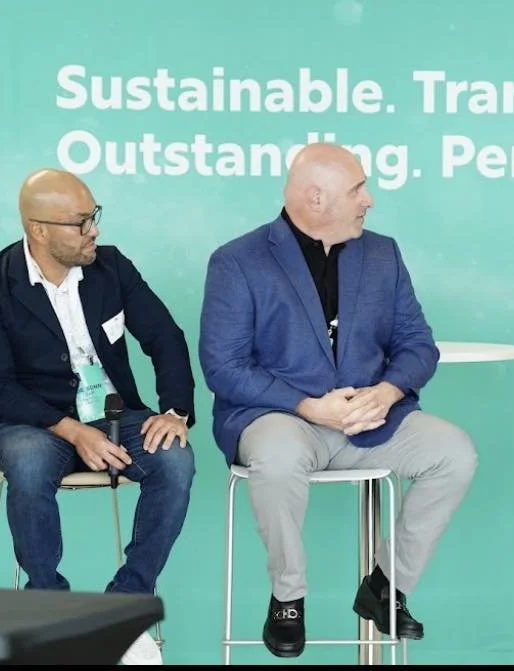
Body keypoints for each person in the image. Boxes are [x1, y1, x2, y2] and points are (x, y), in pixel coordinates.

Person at [199, 143, 478, 658]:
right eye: (357, 189)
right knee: (279, 459)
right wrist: (308, 406)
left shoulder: (382, 253)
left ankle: (386, 587)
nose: (368, 200)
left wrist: (388, 390)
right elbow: (224, 367)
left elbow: (418, 344)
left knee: (454, 452)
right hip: (279, 419)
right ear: (315, 198)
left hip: (370, 421)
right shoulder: (238, 261)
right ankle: (288, 596)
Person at [0, 169, 197, 666]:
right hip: (31, 421)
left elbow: (165, 338)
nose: (94, 231)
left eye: (94, 217)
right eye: (81, 222)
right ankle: (51, 611)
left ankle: (123, 609)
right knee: (26, 462)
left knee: (174, 458)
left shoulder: (111, 268)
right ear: (38, 229)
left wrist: (175, 411)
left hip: (112, 414)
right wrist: (70, 430)